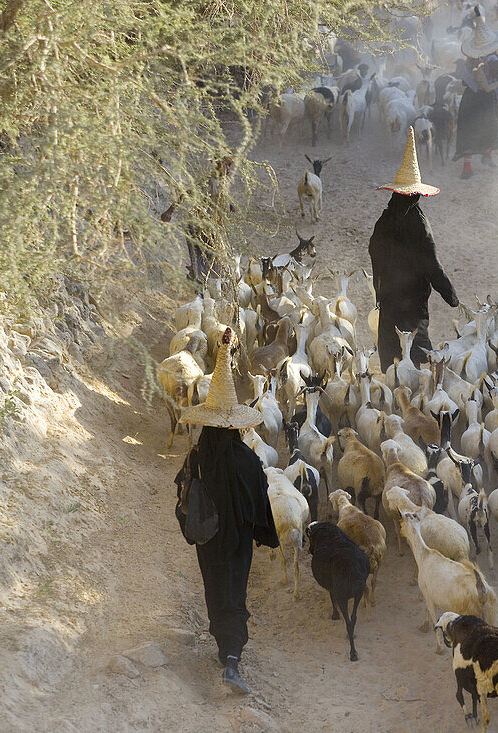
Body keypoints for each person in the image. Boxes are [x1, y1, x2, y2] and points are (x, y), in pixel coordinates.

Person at [175, 328, 278, 695]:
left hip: (209, 540)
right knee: (236, 593)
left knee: (215, 589)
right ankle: (232, 661)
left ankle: (224, 646)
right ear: (235, 426)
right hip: (237, 545)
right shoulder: (248, 460)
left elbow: (181, 497)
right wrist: (259, 531)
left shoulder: (198, 456)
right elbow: (259, 503)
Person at [369, 128, 460, 370]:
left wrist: (381, 285)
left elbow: (373, 252)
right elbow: (432, 264)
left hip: (389, 298)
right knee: (416, 353)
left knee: (391, 352)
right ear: (416, 195)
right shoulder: (420, 224)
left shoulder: (384, 220)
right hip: (413, 303)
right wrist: (450, 295)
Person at [454, 10, 498, 180]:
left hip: (469, 99)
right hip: (485, 100)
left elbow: (465, 81)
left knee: (469, 130)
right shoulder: (492, 58)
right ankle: (488, 156)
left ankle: (468, 168)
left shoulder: (470, 61)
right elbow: (495, 76)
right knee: (493, 126)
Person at [161, 156, 235, 282]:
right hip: (199, 226)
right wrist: (170, 211)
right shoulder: (207, 180)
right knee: (202, 259)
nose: (228, 169)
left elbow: (221, 198)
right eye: (225, 165)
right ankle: (198, 284)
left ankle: (204, 284)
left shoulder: (222, 182)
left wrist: (230, 205)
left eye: (229, 166)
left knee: (213, 261)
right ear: (217, 165)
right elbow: (187, 193)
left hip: (214, 227)